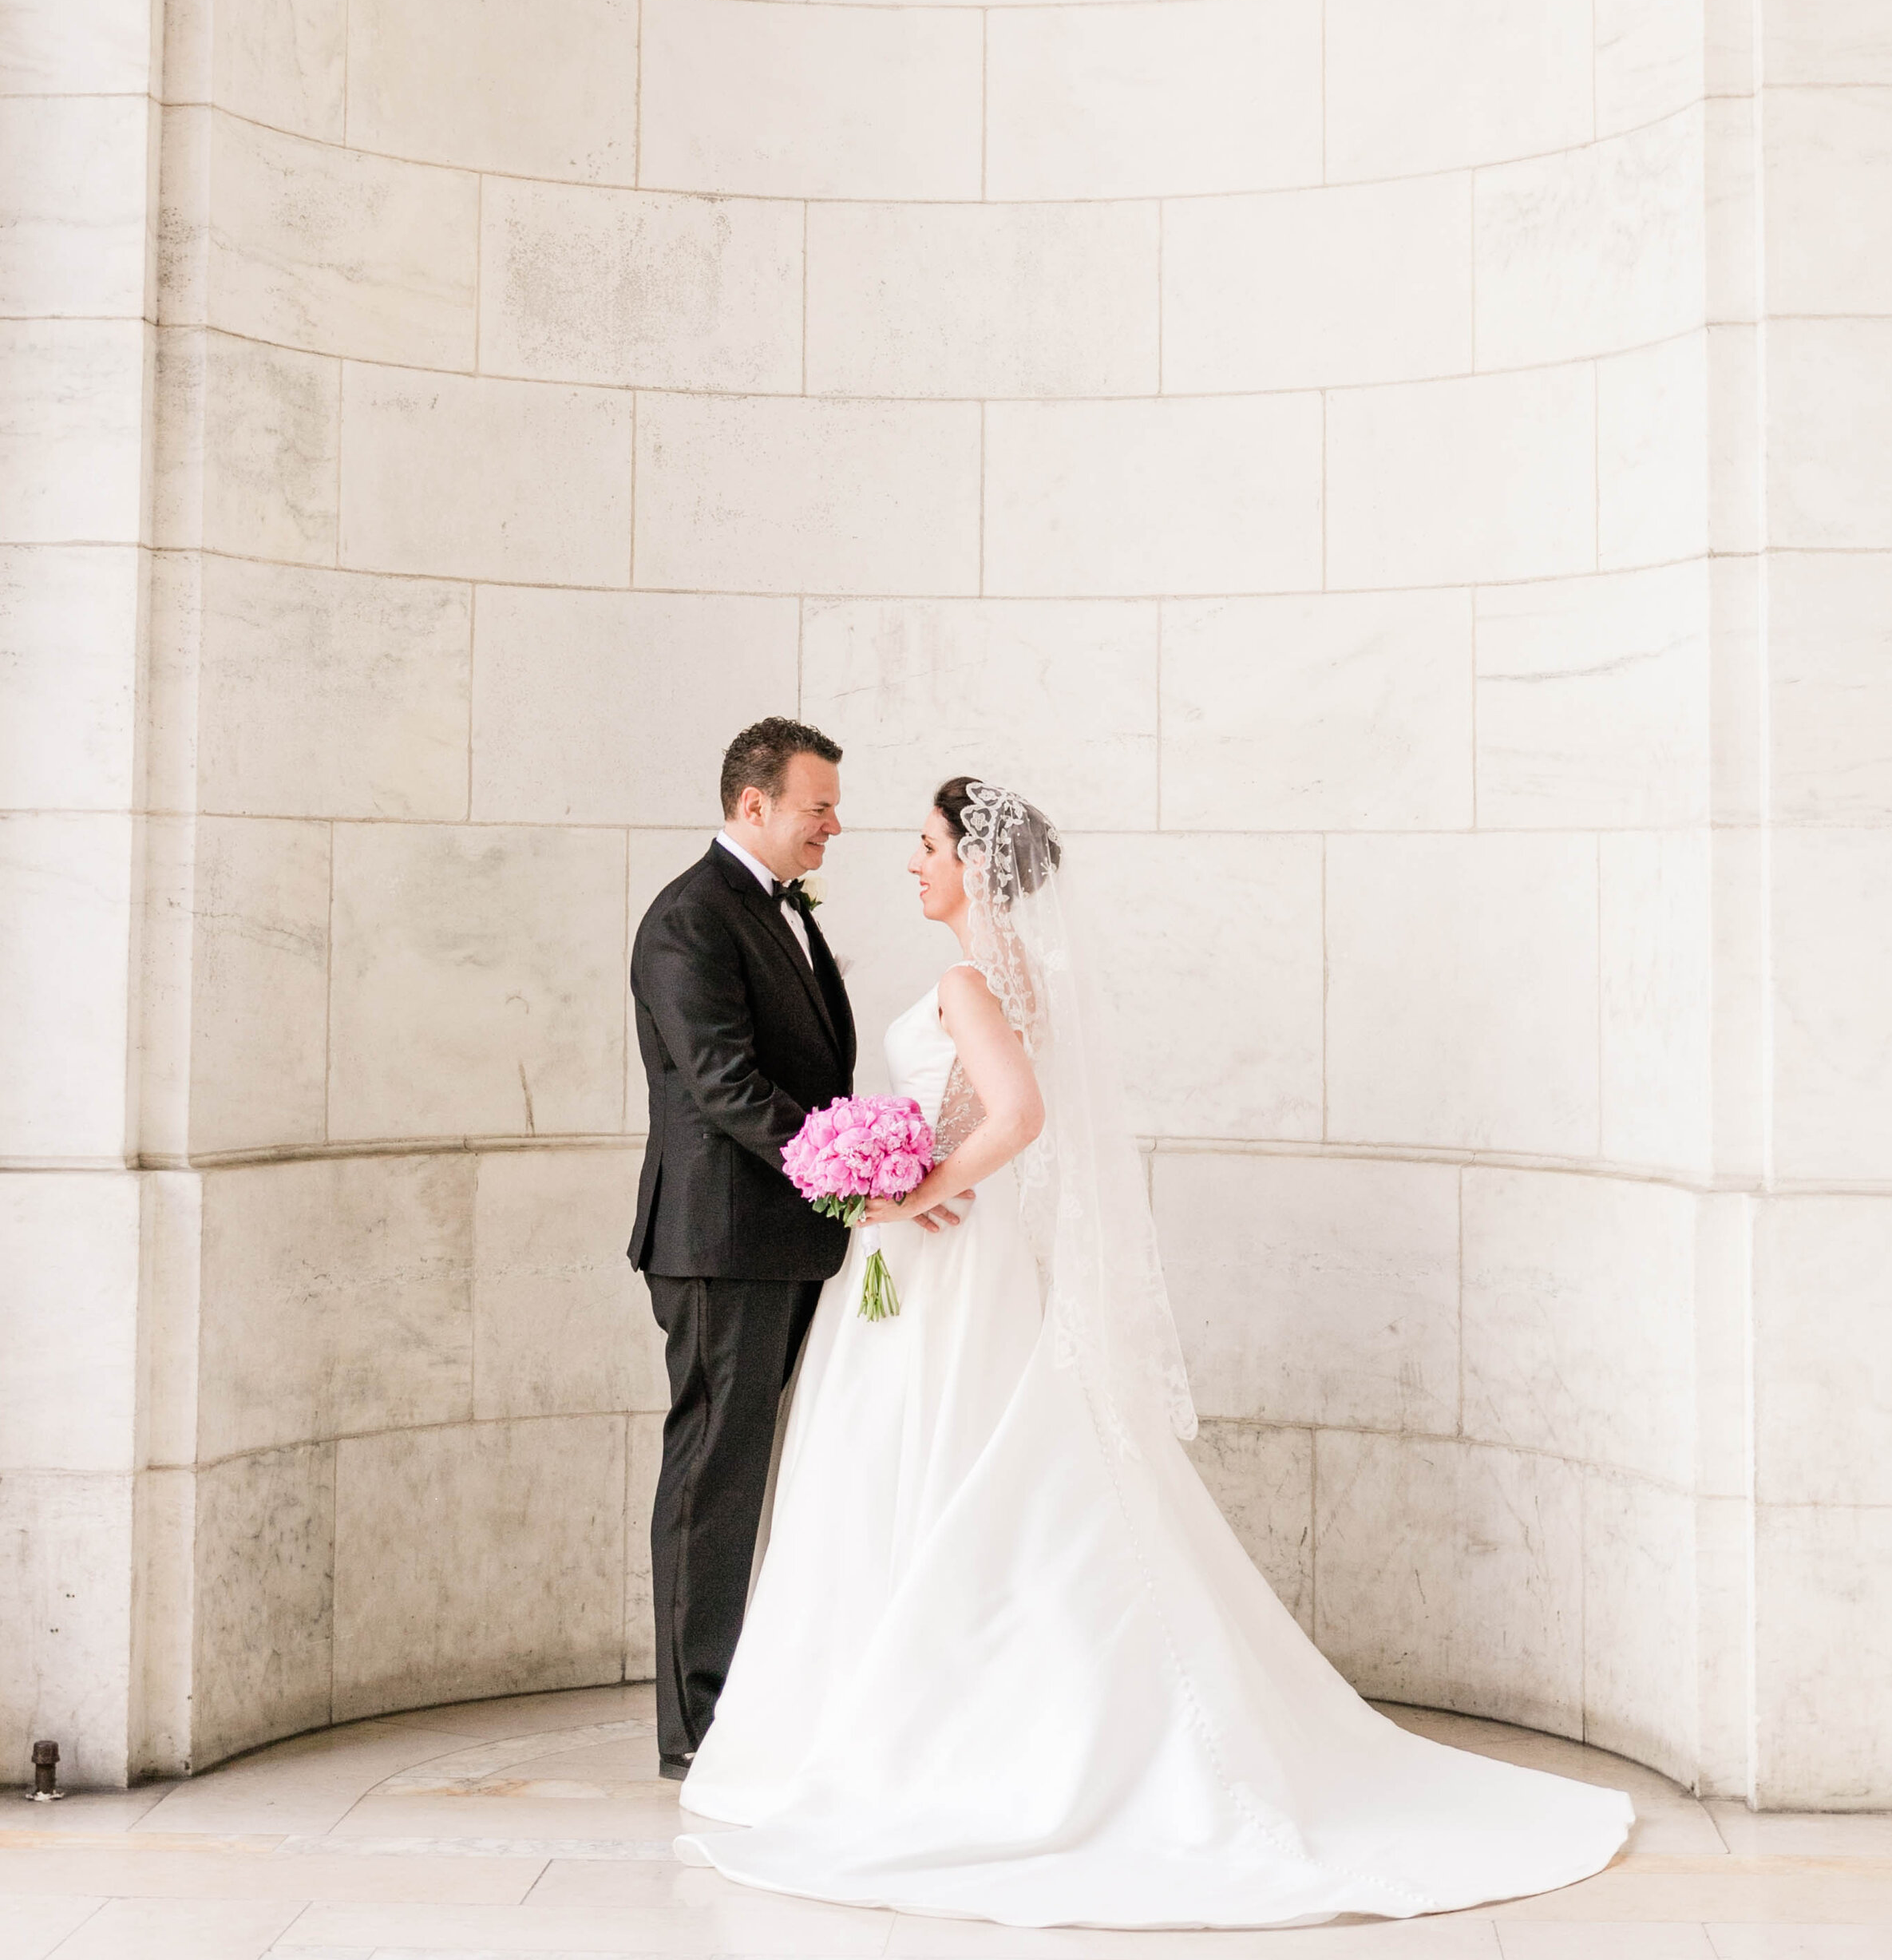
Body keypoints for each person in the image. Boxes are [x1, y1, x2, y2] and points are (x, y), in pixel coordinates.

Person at [674, 775, 1636, 1928]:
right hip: (961, 1254)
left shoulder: (972, 979)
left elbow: (1017, 1116)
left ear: (976, 868)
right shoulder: (1029, 979)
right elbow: (995, 1112)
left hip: (952, 1258)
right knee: (962, 1466)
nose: (912, 862)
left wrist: (909, 1182)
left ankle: (929, 1727)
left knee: (932, 1466)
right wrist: (895, 1160)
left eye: (928, 846)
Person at [630, 716, 965, 1781]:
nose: (834, 823)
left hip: (788, 1238)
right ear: (751, 804)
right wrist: (861, 1169)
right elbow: (726, 1085)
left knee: (771, 1469)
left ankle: (761, 1690)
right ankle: (697, 1722)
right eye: (817, 805)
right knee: (714, 1474)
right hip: (723, 1243)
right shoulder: (689, 919)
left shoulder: (781, 913)